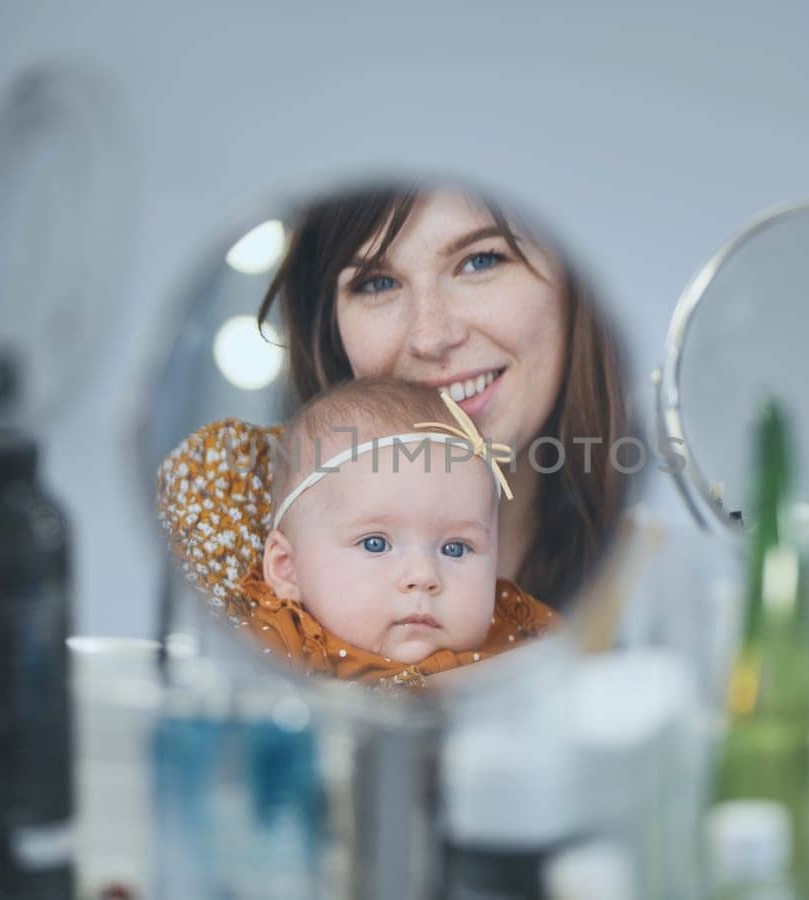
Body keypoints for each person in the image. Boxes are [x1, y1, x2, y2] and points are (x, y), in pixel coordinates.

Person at [158, 181, 629, 658]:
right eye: (377, 282)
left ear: (576, 288)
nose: (430, 337)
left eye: (481, 260)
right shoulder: (229, 492)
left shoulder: (651, 566)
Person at [231, 378, 558, 686]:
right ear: (286, 567)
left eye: (455, 548)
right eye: (375, 544)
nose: (423, 576)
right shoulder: (278, 644)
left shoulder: (521, 636)